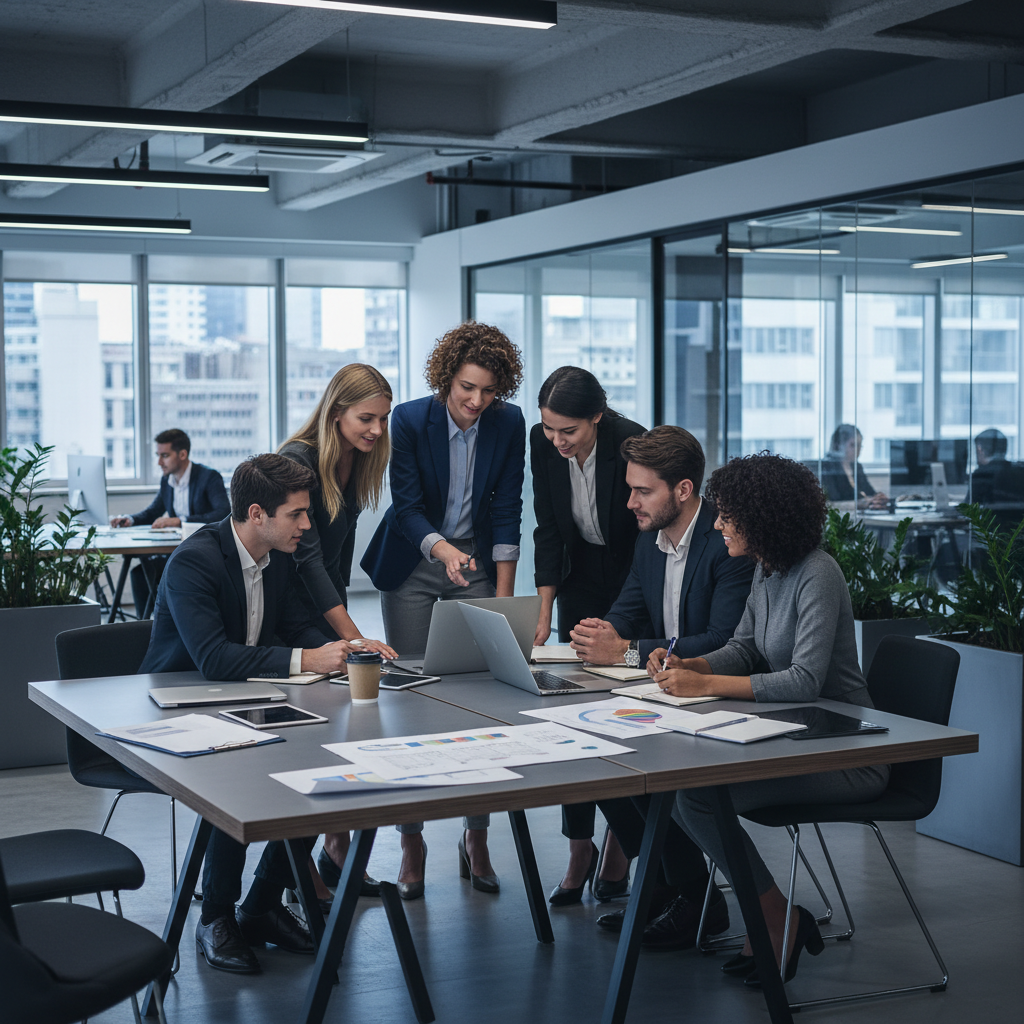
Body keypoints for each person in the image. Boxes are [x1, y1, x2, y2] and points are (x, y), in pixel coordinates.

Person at [657, 452, 888, 984]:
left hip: (849, 754)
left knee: (698, 797)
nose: (716, 523)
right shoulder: (767, 568)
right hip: (794, 738)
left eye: (727, 515)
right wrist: (691, 664)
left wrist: (705, 685)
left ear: (761, 518)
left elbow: (804, 680)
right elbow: (744, 647)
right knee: (688, 795)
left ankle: (774, 917)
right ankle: (775, 915)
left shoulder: (818, 574)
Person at [140, 453, 357, 975]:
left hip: (251, 696)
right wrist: (308, 659)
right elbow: (212, 658)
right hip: (184, 704)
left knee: (319, 774)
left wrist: (344, 651)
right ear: (257, 514)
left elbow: (296, 625)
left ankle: (259, 906)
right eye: (297, 515)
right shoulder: (195, 561)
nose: (307, 526)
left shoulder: (280, 554)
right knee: (235, 780)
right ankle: (216, 917)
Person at [568, 426, 755, 949]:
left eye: (641, 491)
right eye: (629, 489)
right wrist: (598, 636)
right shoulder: (650, 542)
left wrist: (625, 651)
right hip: (664, 692)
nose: (630, 502)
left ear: (684, 490)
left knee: (650, 775)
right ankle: (659, 889)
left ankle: (697, 900)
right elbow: (625, 614)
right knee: (598, 768)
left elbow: (724, 638)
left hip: (715, 696)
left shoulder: (725, 542)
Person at [361, 321, 526, 900]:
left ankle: (475, 837)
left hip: (476, 568)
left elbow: (509, 508)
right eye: (466, 387)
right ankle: (411, 841)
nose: (477, 401)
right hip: (414, 563)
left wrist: (505, 602)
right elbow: (406, 509)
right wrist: (445, 550)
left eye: (488, 390)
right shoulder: (408, 419)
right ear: (445, 378)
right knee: (411, 701)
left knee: (478, 704)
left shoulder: (507, 423)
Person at [279, 363, 398, 900]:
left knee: (340, 736)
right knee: (307, 743)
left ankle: (336, 847)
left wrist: (351, 632)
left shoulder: (356, 462)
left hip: (322, 609)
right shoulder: (299, 460)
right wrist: (353, 639)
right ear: (335, 411)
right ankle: (298, 869)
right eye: (365, 418)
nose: (376, 429)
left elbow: (338, 561)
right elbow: (306, 563)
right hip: (288, 615)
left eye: (383, 419)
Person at [531, 366, 645, 905]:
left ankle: (620, 844)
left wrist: (625, 621)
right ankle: (581, 849)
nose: (557, 441)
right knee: (568, 712)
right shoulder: (543, 442)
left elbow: (645, 537)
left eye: (568, 431)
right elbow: (548, 527)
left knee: (621, 715)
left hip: (629, 579)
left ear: (597, 416)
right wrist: (544, 609)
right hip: (578, 578)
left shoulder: (632, 442)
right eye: (549, 428)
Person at [110, 428, 230, 615]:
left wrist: (180, 521)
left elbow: (224, 513)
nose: (159, 462)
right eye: (158, 455)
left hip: (204, 553)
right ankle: (146, 629)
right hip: (176, 550)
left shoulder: (209, 477)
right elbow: (154, 510)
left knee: (155, 574)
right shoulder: (167, 480)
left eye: (164, 456)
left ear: (183, 454)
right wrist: (130, 519)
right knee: (139, 574)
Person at [820, 423, 888, 509]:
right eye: (853, 445)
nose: (858, 449)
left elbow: (869, 492)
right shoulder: (827, 467)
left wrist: (878, 497)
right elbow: (831, 502)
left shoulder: (857, 466)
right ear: (838, 445)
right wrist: (858, 504)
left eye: (860, 445)